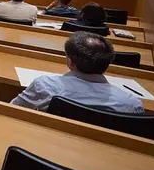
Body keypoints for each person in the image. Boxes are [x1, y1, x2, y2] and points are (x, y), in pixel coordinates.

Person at [11, 32, 143, 113]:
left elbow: (13, 109)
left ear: (70, 62)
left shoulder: (45, 85)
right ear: (107, 64)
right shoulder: (131, 104)